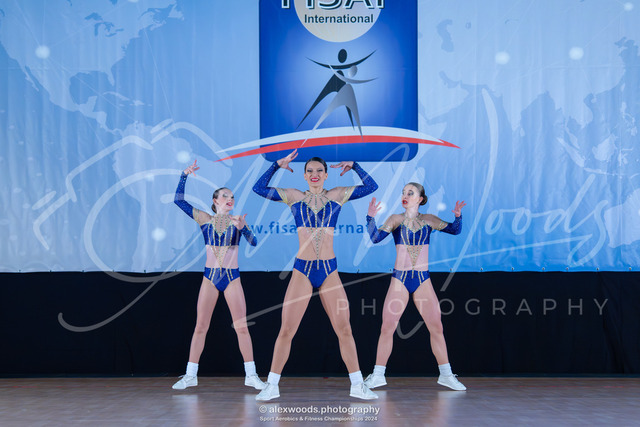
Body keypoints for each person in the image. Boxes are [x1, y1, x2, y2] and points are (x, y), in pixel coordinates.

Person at [252, 149, 379, 401]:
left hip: (329, 270)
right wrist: (276, 165)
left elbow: (371, 186)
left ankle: (357, 385)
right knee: (287, 330)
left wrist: (355, 165)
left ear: (326, 174)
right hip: (303, 270)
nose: (315, 174)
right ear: (304, 175)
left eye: (319, 170)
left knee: (344, 329)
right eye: (310, 170)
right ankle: (272, 385)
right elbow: (258, 188)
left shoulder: (338, 194)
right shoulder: (293, 196)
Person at [172, 159, 266, 391]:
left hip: (232, 277)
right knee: (200, 327)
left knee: (241, 327)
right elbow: (179, 201)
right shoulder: (205, 219)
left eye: (232, 196)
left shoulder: (237, 221)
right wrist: (184, 175)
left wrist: (244, 229)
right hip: (210, 278)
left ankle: (251, 375)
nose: (230, 199)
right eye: (225, 196)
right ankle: (190, 375)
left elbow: (254, 242)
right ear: (215, 201)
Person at [363, 183, 467, 391]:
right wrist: (370, 218)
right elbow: (375, 238)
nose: (405, 195)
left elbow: (455, 230)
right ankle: (378, 375)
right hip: (400, 279)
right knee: (387, 327)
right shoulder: (395, 219)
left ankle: (446, 375)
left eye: (410, 193)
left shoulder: (429, 220)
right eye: (403, 192)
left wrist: (458, 217)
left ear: (420, 199)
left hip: (422, 279)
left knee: (436, 327)